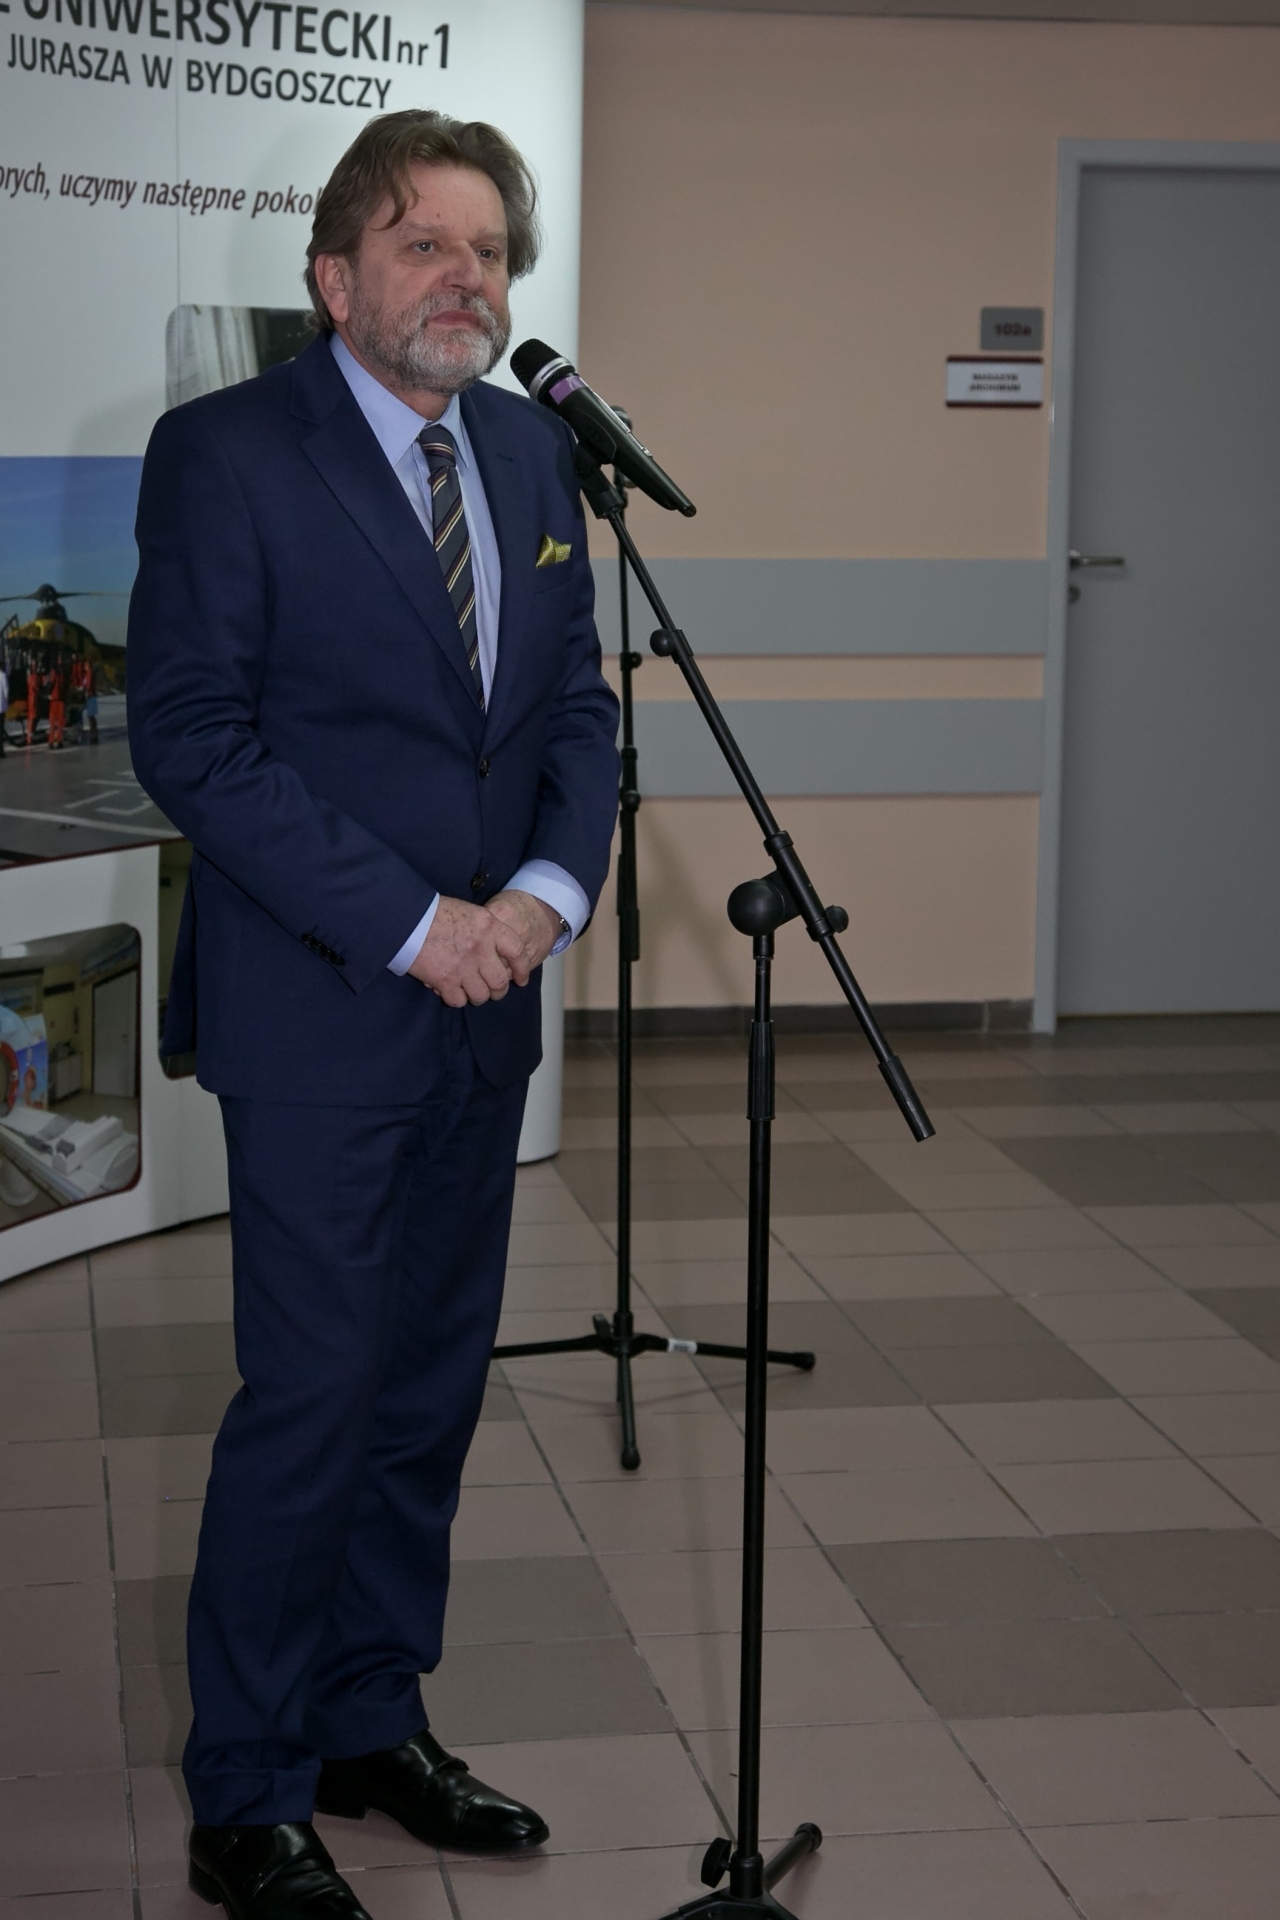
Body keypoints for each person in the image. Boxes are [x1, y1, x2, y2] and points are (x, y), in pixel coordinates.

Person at [127, 108, 620, 1920]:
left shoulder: (535, 452)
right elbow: (193, 739)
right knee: (315, 1398)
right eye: (425, 244)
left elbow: (576, 712)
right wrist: (420, 925)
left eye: (488, 250)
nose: (465, 278)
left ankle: (368, 1718)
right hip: (326, 1010)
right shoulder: (226, 453)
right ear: (335, 277)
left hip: (489, 1010)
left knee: (425, 1393)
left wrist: (546, 896)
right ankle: (249, 1785)